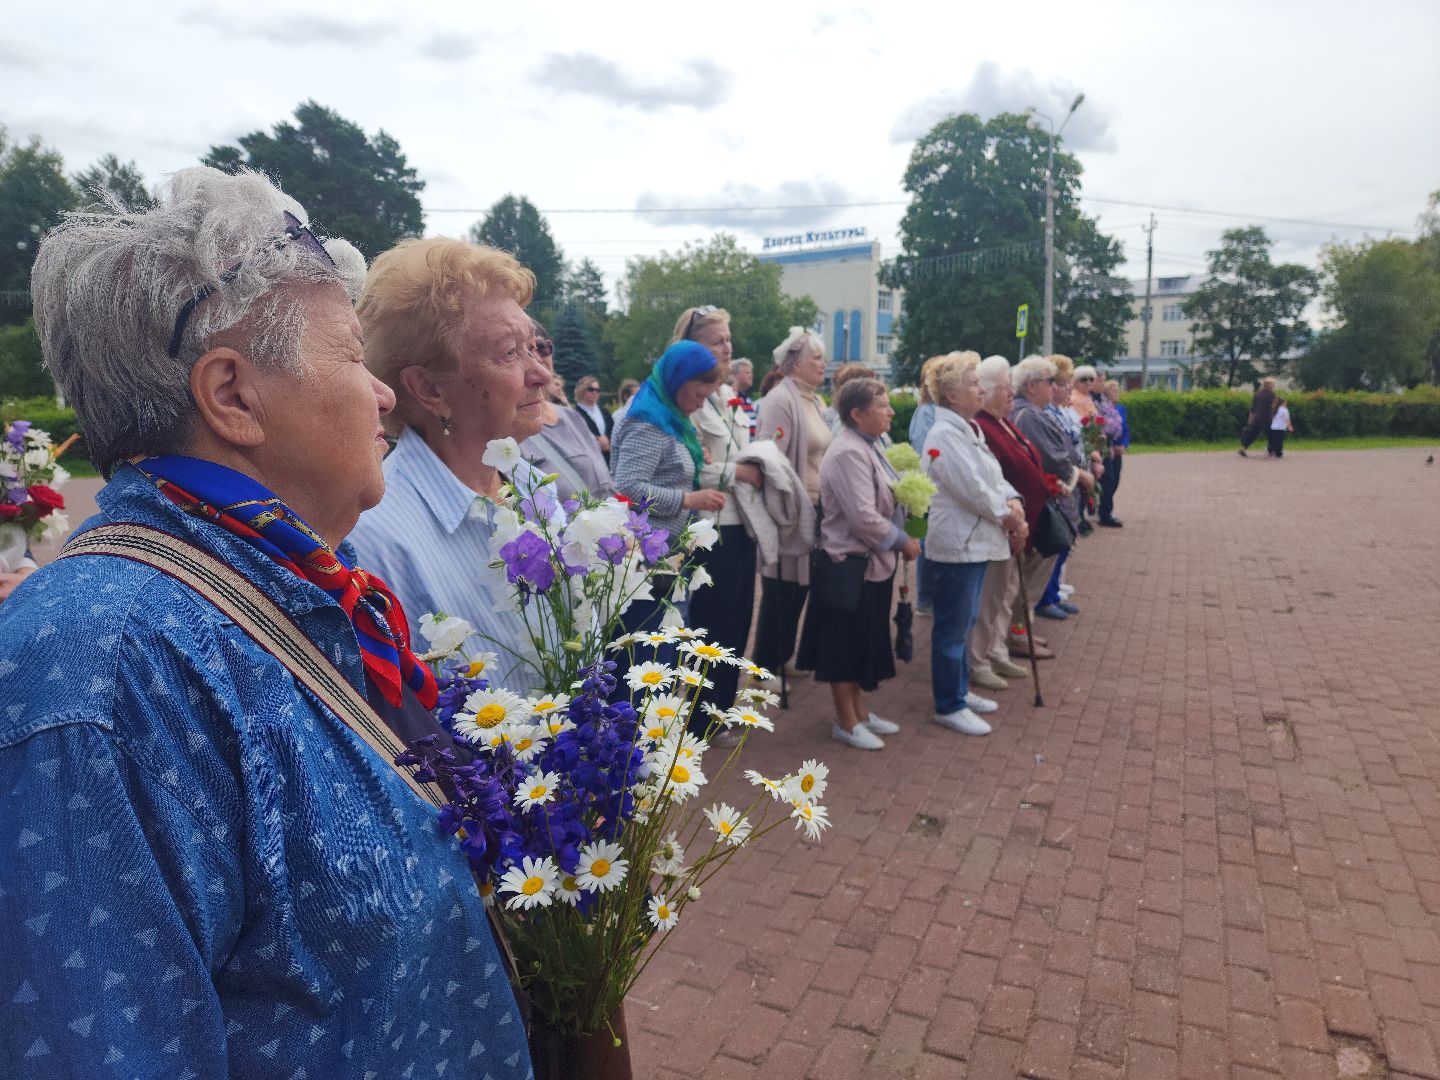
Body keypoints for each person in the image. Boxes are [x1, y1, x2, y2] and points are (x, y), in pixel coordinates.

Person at [0, 167, 530, 1077]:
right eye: (351, 356)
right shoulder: (104, 670)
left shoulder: (301, 581)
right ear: (233, 396)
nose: (384, 394)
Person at [347, 237, 554, 698]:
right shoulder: (378, 540)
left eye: (534, 347)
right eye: (508, 353)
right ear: (428, 388)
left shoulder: (539, 492)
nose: (540, 374)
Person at [797, 378, 917, 749]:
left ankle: (860, 712)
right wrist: (902, 540)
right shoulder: (849, 451)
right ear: (857, 413)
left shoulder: (869, 444)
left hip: (870, 565)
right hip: (849, 566)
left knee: (864, 639)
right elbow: (862, 516)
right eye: (882, 406)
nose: (890, 412)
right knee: (844, 644)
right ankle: (845, 721)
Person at [920, 354, 1028, 735]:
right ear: (951, 393)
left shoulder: (969, 429)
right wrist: (1009, 513)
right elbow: (973, 490)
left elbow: (994, 479)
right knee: (952, 626)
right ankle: (948, 704)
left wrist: (1012, 501)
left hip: (976, 542)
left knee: (965, 622)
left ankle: (960, 691)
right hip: (958, 545)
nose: (981, 389)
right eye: (972, 383)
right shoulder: (944, 435)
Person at [670, 305, 761, 730]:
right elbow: (685, 465)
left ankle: (721, 708)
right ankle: (700, 717)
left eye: (729, 340)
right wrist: (737, 472)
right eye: (716, 341)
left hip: (743, 519)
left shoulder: (726, 397)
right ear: (691, 347)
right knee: (711, 624)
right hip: (708, 527)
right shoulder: (685, 396)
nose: (727, 348)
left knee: (739, 619)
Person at [609, 339, 727, 648]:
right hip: (647, 569)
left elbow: (662, 464)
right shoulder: (649, 422)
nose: (702, 403)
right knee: (650, 658)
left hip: (661, 561)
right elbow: (627, 488)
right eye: (700, 394)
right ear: (679, 380)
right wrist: (687, 499)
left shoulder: (666, 415)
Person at [969, 355, 1056, 691]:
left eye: (1009, 388)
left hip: (1019, 521)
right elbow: (988, 480)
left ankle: (997, 650)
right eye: (1004, 389)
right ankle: (985, 655)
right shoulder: (983, 425)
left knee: (1006, 592)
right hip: (1001, 525)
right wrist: (1012, 514)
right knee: (995, 595)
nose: (1010, 394)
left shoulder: (1004, 421)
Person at [752, 326, 831, 681]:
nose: (823, 364)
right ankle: (764, 664)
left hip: (816, 508)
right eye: (817, 358)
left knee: (801, 585)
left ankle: (783, 655)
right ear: (795, 363)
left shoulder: (815, 400)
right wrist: (783, 509)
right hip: (791, 510)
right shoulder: (780, 400)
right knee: (781, 587)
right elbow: (769, 459)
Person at [1011, 355, 1094, 635]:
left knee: (1044, 561)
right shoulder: (1029, 415)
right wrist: (1079, 475)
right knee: (1037, 564)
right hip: (1045, 497)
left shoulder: (1032, 412)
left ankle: (1023, 629)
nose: (1053, 388)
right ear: (1032, 385)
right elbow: (1049, 458)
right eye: (1049, 382)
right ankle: (1020, 631)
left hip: (1049, 494)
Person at [522, 321, 615, 500]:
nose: (537, 357)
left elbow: (607, 483)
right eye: (525, 350)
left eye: (542, 347)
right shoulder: (507, 433)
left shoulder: (572, 417)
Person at [908, 354, 951, 617]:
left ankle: (931, 597)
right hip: (929, 487)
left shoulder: (938, 411)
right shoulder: (926, 412)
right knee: (925, 539)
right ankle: (925, 600)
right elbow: (926, 450)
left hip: (938, 488)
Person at [1098, 379, 1129, 526]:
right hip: (1107, 448)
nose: (1117, 392)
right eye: (1114, 390)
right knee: (1108, 481)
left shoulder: (1121, 409)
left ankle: (1104, 508)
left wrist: (1123, 445)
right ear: (1106, 392)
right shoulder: (1102, 408)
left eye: (1118, 389)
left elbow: (1125, 429)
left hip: (1118, 449)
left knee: (1115, 480)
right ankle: (1105, 513)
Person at [575, 370, 615, 460]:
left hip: (608, 458)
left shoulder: (604, 412)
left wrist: (607, 441)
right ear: (582, 390)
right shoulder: (575, 414)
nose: (595, 392)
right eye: (591, 389)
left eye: (597, 390)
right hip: (588, 458)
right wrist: (596, 441)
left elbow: (613, 431)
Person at [1239, 376, 1278, 456]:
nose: (1273, 386)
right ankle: (1271, 450)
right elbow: (1274, 407)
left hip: (1257, 418)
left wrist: (1250, 418)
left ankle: (1244, 448)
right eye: (1273, 384)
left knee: (1252, 434)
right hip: (1267, 418)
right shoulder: (1271, 394)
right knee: (1272, 434)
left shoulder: (1258, 394)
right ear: (1269, 385)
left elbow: (1252, 408)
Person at [730, 357, 758, 436]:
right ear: (734, 374)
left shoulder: (748, 401)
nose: (751, 376)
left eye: (751, 373)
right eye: (747, 373)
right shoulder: (728, 398)